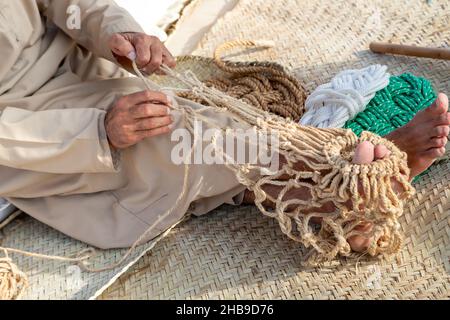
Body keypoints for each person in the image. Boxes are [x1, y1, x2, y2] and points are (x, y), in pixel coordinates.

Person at [0, 0, 448, 252]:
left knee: (215, 121)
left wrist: (116, 33)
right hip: (29, 127)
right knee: (178, 141)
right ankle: (348, 181)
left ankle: (329, 204)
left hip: (78, 70)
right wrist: (98, 132)